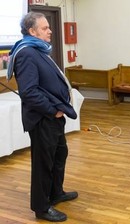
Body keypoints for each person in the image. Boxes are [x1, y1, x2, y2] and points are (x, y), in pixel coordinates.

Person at [7, 12, 78, 222]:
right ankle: (41, 207)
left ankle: (56, 192)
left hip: (54, 117)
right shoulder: (27, 53)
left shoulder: (38, 50)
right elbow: (29, 92)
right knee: (43, 164)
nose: (50, 31)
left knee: (59, 155)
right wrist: (52, 110)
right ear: (32, 31)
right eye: (45, 28)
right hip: (43, 119)